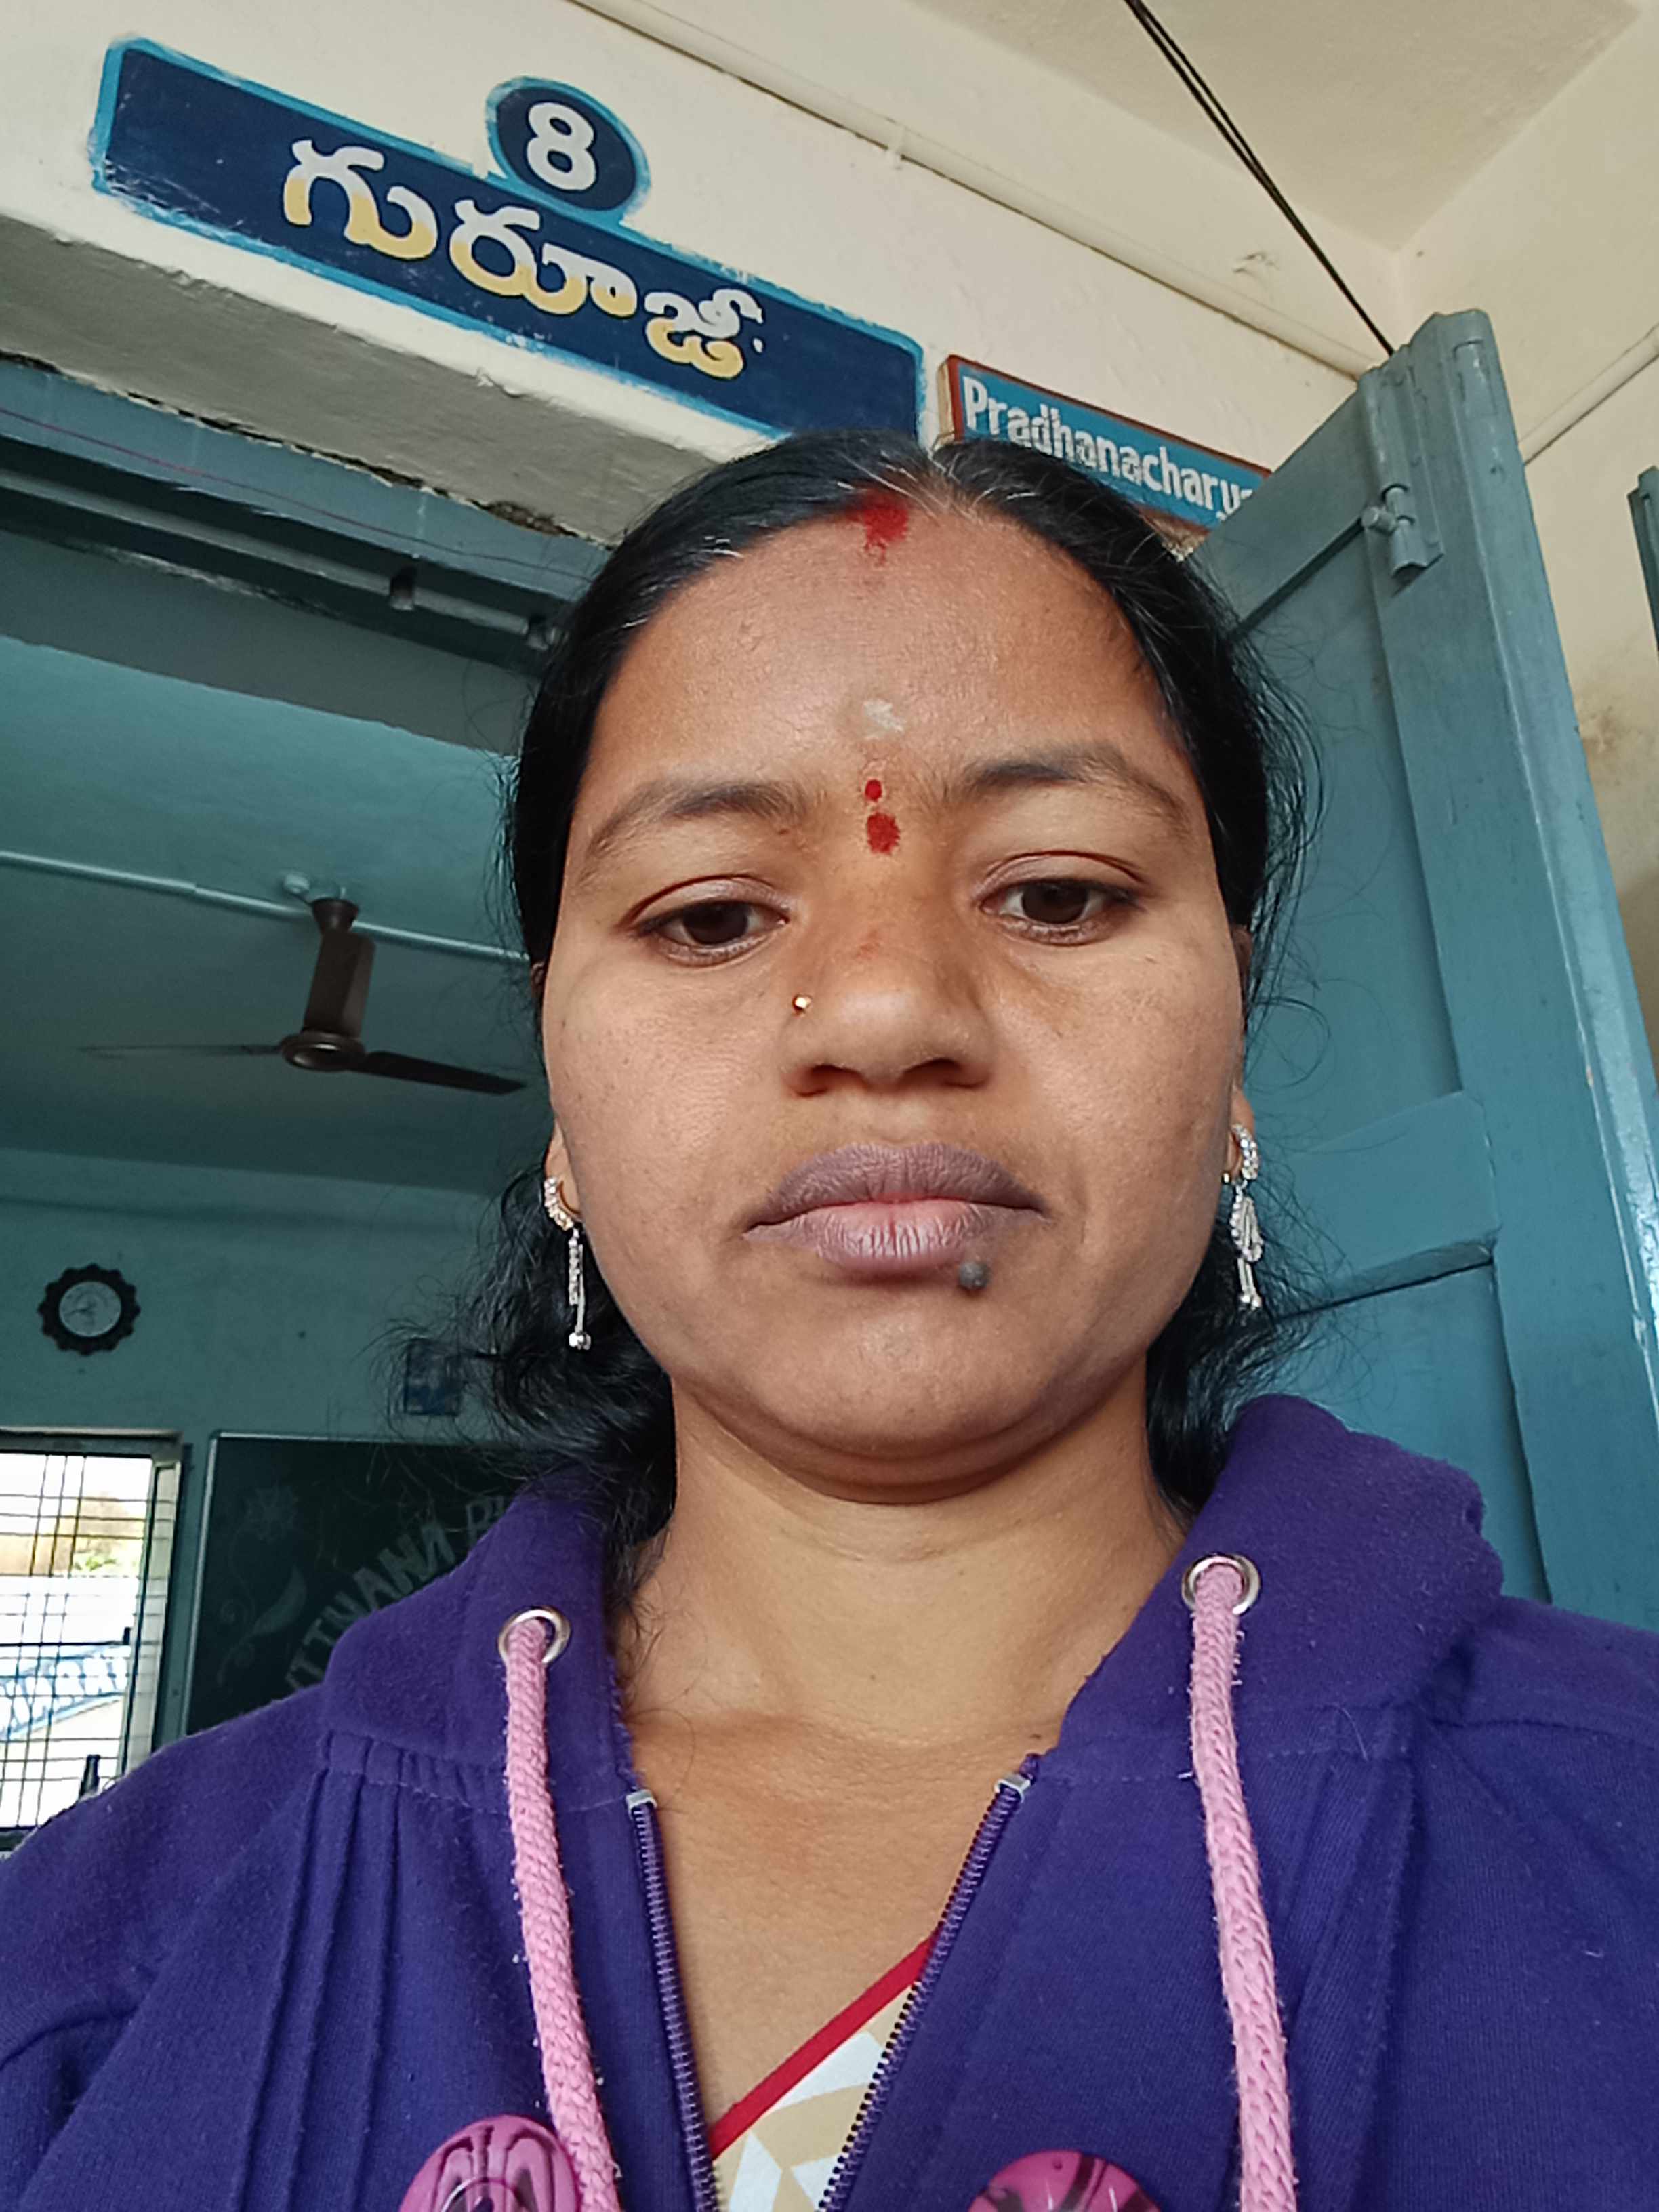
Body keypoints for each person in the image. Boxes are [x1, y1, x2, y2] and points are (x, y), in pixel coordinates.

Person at [3, 430, 1657, 2212]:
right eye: (710, 913)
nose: (882, 1010)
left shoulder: (1616, 1822)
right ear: (562, 1109)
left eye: (1060, 892)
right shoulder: (92, 1976)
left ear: (1233, 1052)